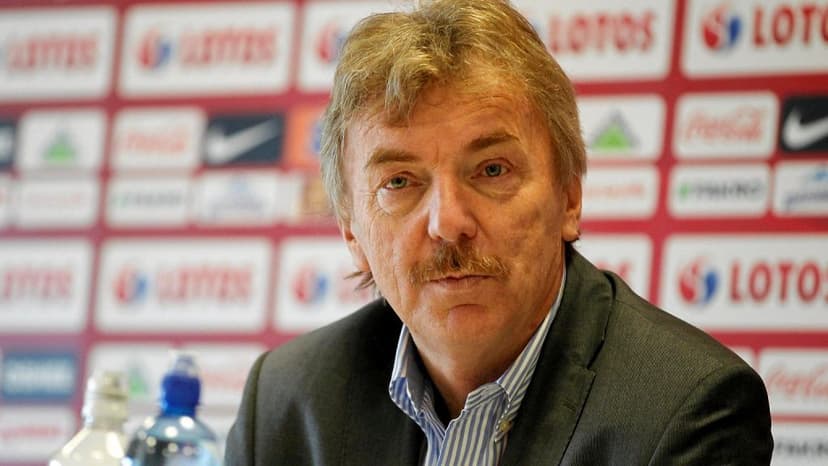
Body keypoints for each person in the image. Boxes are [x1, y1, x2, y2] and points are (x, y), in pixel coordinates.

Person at [225, 1, 773, 464]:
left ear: (569, 197)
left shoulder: (687, 409)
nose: (448, 223)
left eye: (491, 170)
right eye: (399, 182)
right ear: (352, 232)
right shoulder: (287, 402)